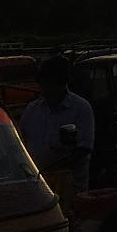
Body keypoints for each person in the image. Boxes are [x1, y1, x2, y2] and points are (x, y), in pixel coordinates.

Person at [18, 55, 96, 192]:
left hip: (69, 187)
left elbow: (84, 149)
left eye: (49, 84)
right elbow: (19, 141)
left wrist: (50, 169)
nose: (44, 89)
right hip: (36, 186)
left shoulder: (81, 108)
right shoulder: (32, 110)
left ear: (62, 83)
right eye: (42, 84)